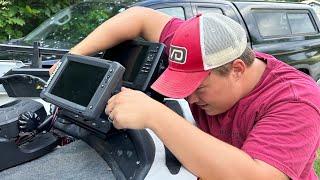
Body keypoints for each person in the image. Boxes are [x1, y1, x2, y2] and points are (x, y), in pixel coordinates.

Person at [49, 7, 320, 179]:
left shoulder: (295, 100)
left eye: (198, 88)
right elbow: (138, 17)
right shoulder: (195, 46)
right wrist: (71, 58)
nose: (189, 99)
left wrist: (157, 116)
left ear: (237, 69)